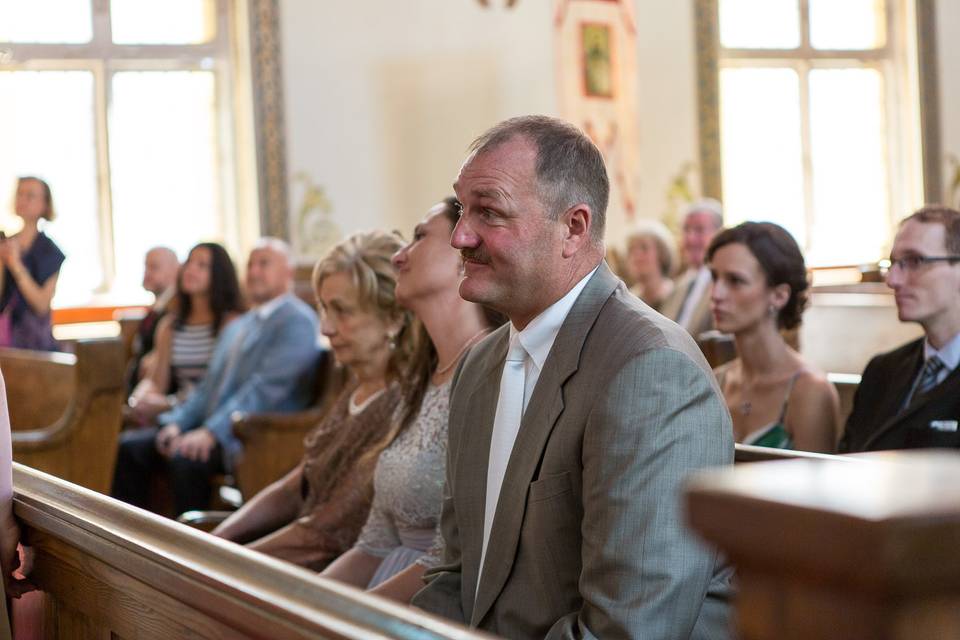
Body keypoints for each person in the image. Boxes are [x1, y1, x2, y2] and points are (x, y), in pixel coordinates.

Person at [410, 116, 733, 639]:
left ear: (574, 228)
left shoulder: (652, 371)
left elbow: (629, 629)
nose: (461, 236)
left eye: (488, 212)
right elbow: (456, 575)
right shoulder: (479, 366)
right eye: (463, 208)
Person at [321, 197, 502, 602]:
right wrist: (303, 604)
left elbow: (450, 559)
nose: (399, 257)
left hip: (432, 606)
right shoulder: (419, 381)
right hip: (381, 592)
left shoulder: (494, 373)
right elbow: (374, 543)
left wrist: (348, 618)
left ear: (463, 252)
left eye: (420, 237)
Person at [211, 231, 410, 570]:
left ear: (391, 318)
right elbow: (296, 486)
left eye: (342, 312)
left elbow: (324, 535)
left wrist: (224, 563)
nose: (326, 328)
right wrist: (219, 538)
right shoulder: (357, 386)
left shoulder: (401, 399)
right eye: (324, 309)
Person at [111, 238, 320, 515]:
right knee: (130, 449)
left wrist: (211, 432)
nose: (255, 271)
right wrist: (176, 423)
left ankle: (190, 550)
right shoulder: (242, 324)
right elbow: (209, 387)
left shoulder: (297, 320)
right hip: (220, 428)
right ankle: (131, 540)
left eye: (264, 264)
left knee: (185, 459)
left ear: (288, 272)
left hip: (256, 435)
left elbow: (263, 391)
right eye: (251, 264)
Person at [707, 222, 838, 452]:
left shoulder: (809, 391)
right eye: (714, 277)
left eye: (735, 281)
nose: (716, 294)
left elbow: (816, 486)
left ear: (778, 295)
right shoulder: (716, 381)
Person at [840, 205, 960, 452]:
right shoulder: (881, 371)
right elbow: (845, 463)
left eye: (915, 261)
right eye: (893, 263)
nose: (892, 280)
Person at [127, 243, 245, 426]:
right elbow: (156, 381)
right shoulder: (170, 326)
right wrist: (138, 399)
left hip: (213, 416)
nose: (191, 269)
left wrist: (168, 404)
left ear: (219, 275)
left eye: (202, 265)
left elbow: (220, 386)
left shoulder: (231, 324)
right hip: (176, 415)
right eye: (189, 262)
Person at [0, 177, 65, 351]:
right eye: (19, 194)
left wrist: (14, 265)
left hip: (36, 343)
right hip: (5, 341)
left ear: (45, 204)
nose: (22, 200)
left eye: (30, 196)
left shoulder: (51, 252)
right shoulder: (5, 244)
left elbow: (41, 305)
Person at [660, 199, 723, 338]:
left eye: (699, 230)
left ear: (718, 234)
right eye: (686, 230)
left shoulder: (723, 285)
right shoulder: (677, 287)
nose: (690, 239)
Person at [126, 246, 180, 394]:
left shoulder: (176, 309)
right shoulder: (157, 307)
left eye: (154, 267)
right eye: (146, 267)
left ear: (175, 271)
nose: (147, 273)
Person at [623, 219, 676, 311]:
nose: (637, 256)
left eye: (644, 248)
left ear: (662, 254)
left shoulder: (677, 296)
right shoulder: (627, 301)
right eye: (631, 249)